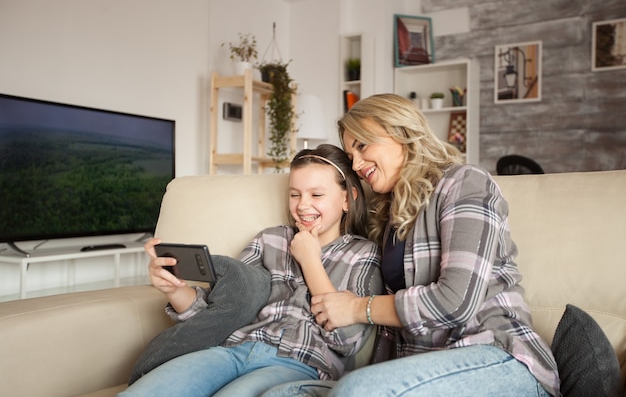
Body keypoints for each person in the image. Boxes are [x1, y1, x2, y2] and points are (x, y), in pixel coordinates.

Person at [263, 94, 559, 397]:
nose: (357, 163)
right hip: (421, 367)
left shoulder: (464, 183)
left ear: (402, 133)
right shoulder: (387, 217)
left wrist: (355, 307)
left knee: (357, 391)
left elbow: (455, 302)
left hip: (496, 356)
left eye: (362, 146)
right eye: (351, 155)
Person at [118, 144, 383, 397]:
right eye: (294, 194)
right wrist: (175, 289)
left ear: (347, 198)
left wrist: (310, 260)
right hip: (232, 350)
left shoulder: (363, 254)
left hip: (298, 363)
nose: (302, 205)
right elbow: (219, 313)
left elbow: (346, 340)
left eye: (316, 195)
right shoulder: (270, 240)